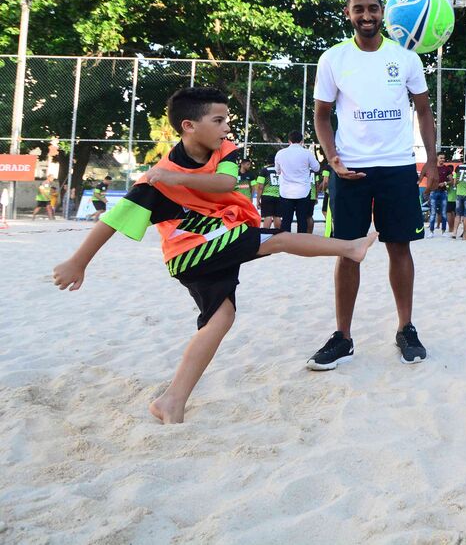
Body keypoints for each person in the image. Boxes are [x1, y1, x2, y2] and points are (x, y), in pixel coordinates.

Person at [52, 87, 378, 424]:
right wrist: (79, 261)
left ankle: (171, 401)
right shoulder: (155, 180)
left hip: (209, 250)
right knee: (278, 238)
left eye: (227, 120)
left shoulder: (223, 152)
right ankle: (350, 247)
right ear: (189, 126)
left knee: (221, 319)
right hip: (192, 251)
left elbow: (223, 184)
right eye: (218, 120)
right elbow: (113, 220)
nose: (226, 128)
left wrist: (174, 177)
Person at [309, 0, 438, 369]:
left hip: (398, 167)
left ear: (383, 12)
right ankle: (343, 337)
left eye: (373, 8)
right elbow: (321, 116)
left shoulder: (407, 58)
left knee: (401, 247)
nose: (367, 15)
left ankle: (405, 328)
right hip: (351, 170)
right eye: (359, 9)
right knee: (348, 252)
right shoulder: (333, 58)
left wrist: (431, 161)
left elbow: (425, 112)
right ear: (348, 13)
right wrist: (332, 159)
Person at [275, 130, 320, 234]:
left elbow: (278, 171)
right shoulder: (307, 153)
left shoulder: (280, 153)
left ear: (289, 140)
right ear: (302, 140)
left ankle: (286, 242)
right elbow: (317, 168)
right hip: (303, 191)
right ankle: (301, 242)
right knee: (302, 219)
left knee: (286, 219)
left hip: (286, 191)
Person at [421, 154, 452, 238]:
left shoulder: (447, 169)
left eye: (444, 158)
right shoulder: (432, 168)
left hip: (443, 192)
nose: (443, 159)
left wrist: (444, 183)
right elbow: (424, 174)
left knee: (444, 213)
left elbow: (451, 181)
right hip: (433, 192)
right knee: (433, 213)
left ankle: (443, 231)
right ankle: (431, 231)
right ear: (437, 158)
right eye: (441, 158)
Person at [254, 159, 281, 230]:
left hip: (267, 195)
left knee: (268, 216)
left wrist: (258, 200)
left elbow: (260, 187)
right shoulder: (281, 170)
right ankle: (278, 233)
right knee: (277, 216)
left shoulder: (264, 170)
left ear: (267, 162)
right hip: (279, 196)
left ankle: (265, 234)